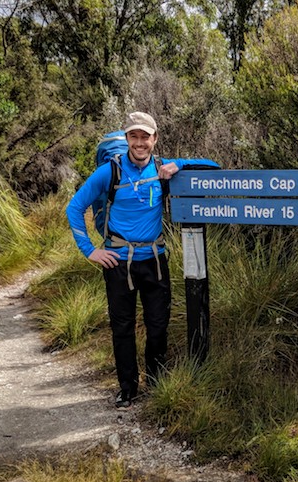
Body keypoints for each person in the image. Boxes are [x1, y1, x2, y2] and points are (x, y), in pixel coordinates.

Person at [66, 111, 216, 409]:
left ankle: (157, 384)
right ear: (126, 139)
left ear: (154, 139)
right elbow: (75, 207)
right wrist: (91, 251)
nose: (139, 143)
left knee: (158, 326)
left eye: (145, 137)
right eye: (133, 136)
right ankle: (127, 388)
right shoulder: (109, 172)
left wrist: (179, 164)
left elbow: (213, 166)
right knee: (122, 328)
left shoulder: (162, 168)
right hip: (118, 263)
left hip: (155, 261)